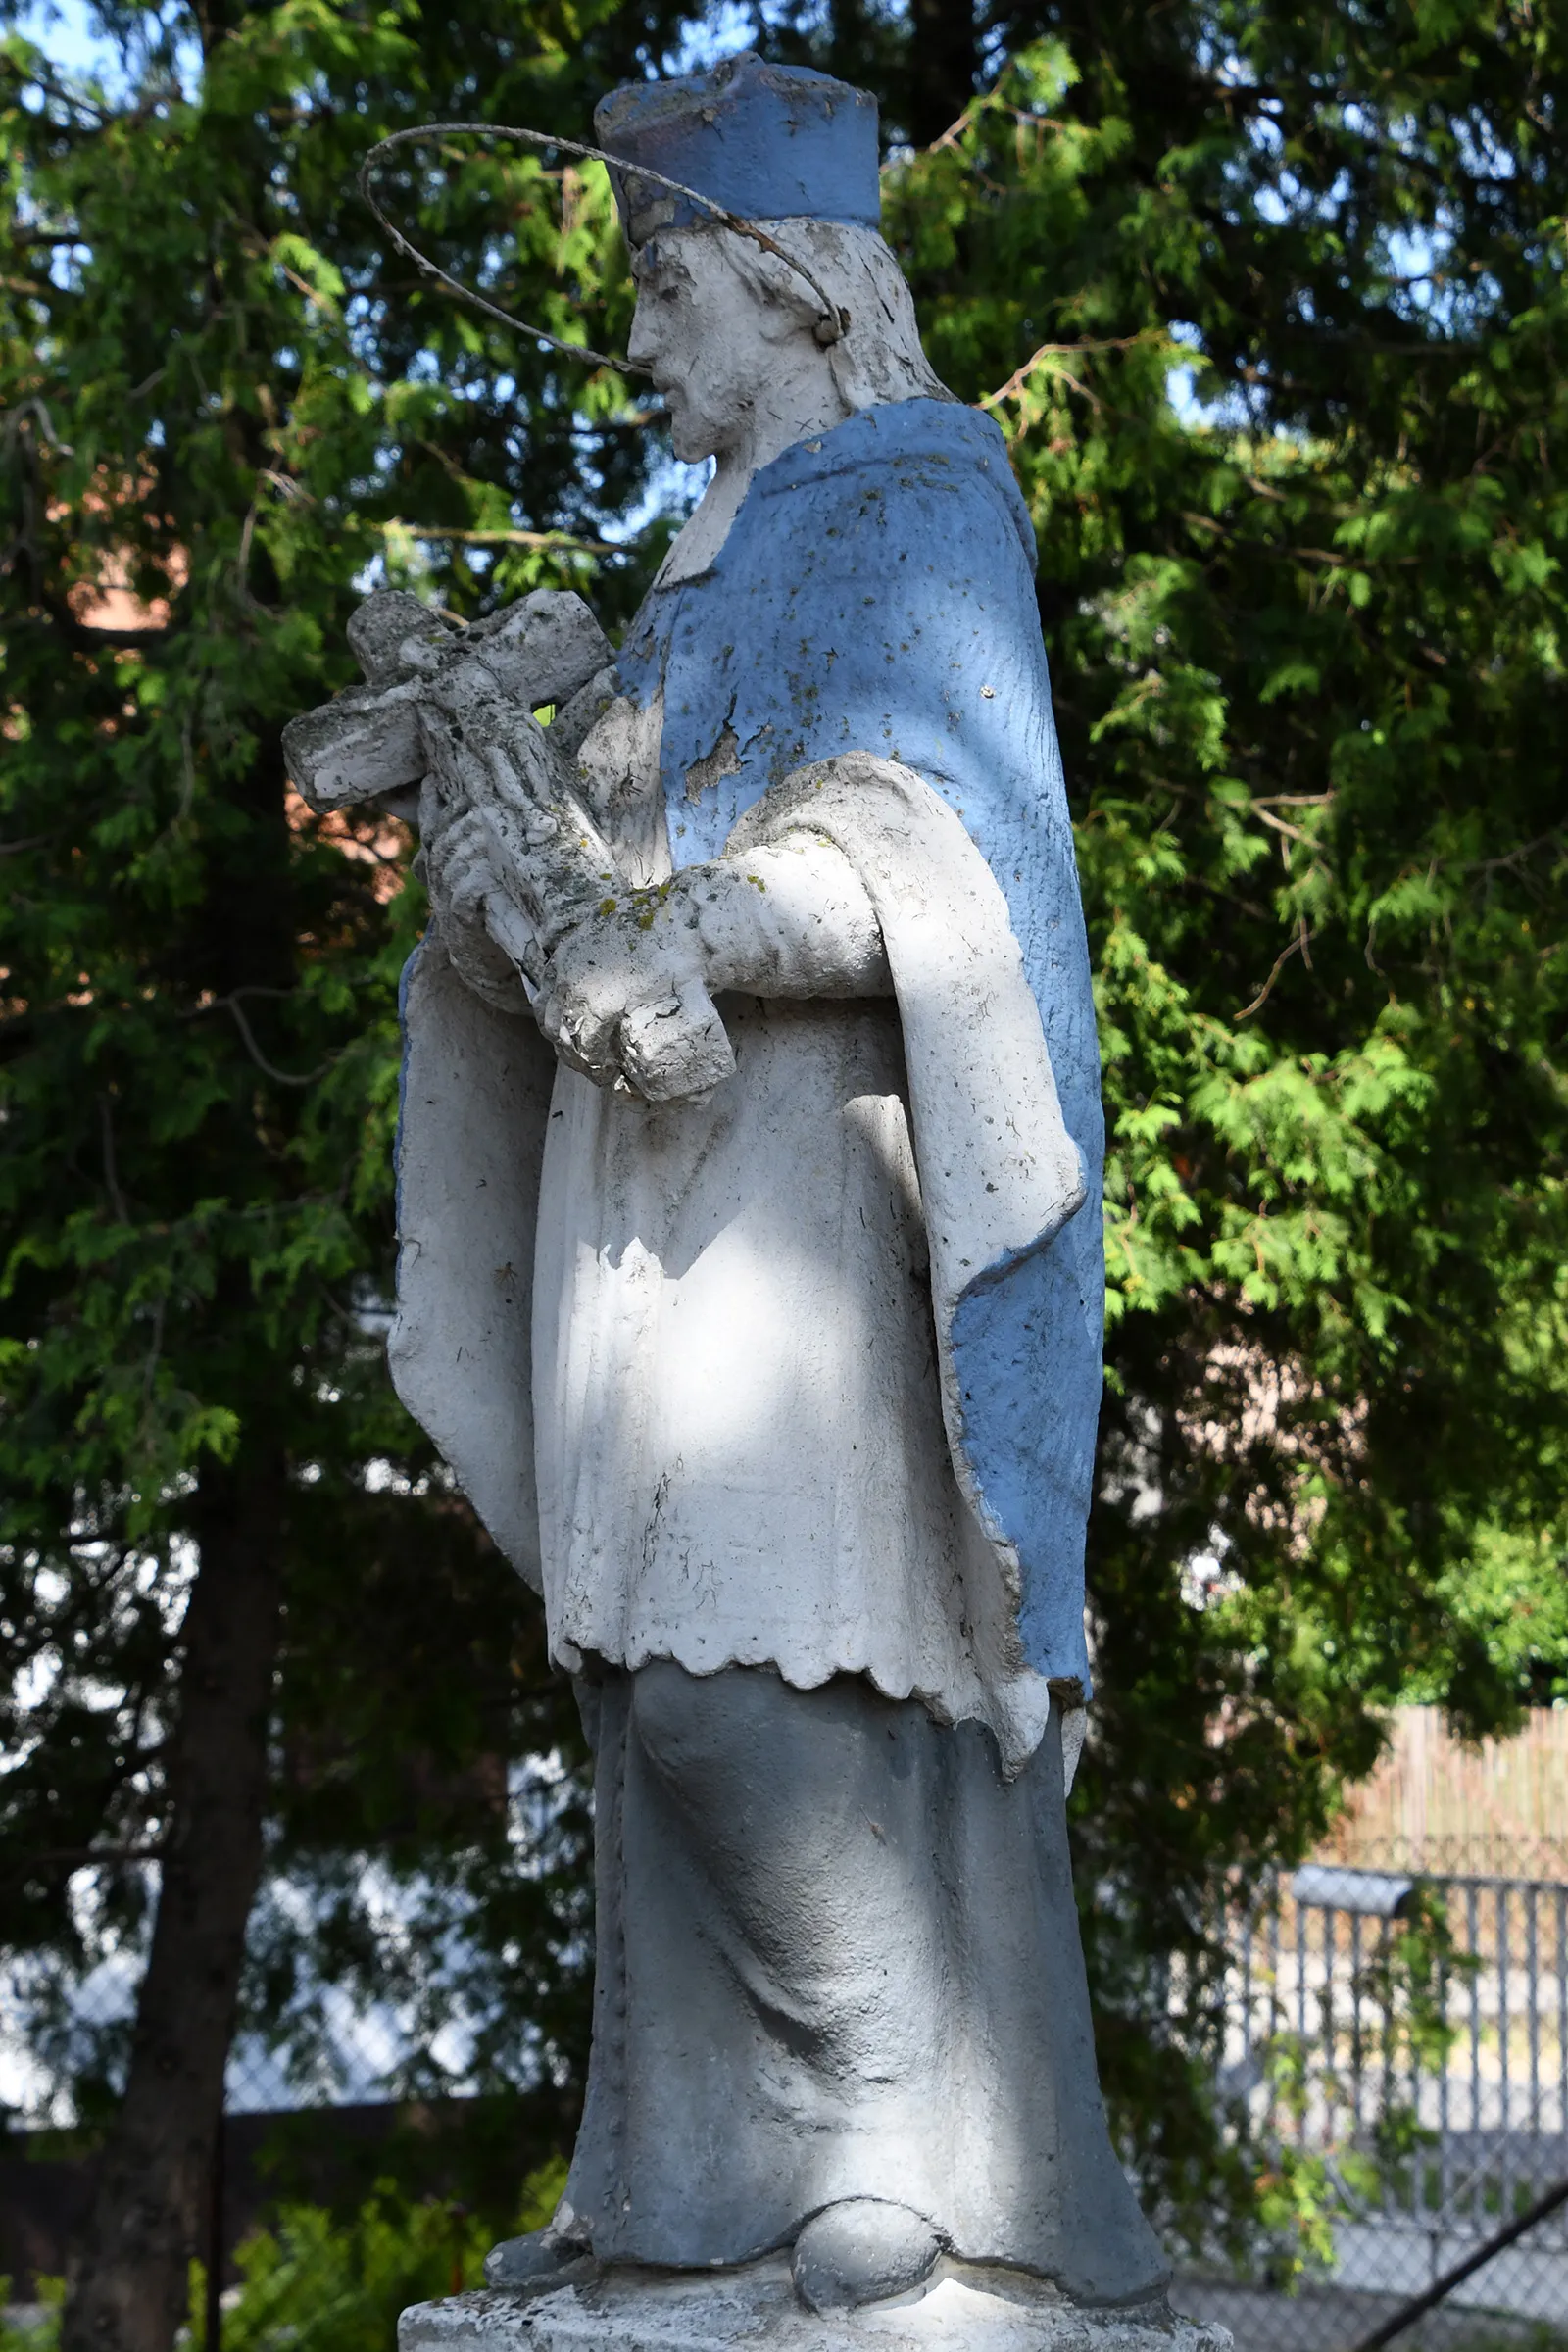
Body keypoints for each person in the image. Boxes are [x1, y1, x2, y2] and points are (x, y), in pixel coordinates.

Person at [394, 50, 1168, 2318]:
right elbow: (637, 837)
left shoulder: (918, 501)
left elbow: (943, 853)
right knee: (644, 1685)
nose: (633, 341)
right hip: (643, 1196)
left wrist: (703, 927)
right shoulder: (690, 560)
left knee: (762, 1677)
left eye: (663, 287)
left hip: (802, 1218)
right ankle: (685, 2182)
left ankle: (902, 2132)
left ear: (789, 284)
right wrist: (508, 876)